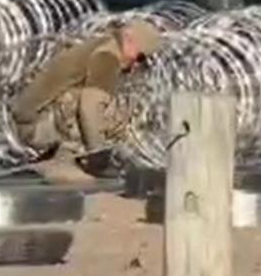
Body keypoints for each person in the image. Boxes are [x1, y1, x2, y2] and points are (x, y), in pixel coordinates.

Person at [10, 21, 162, 184]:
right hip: (34, 125)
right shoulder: (107, 55)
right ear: (129, 40)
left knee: (109, 103)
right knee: (110, 110)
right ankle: (62, 161)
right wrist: (99, 153)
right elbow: (89, 107)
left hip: (33, 119)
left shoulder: (103, 45)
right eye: (140, 57)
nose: (137, 64)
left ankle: (55, 157)